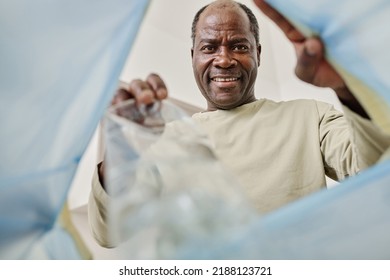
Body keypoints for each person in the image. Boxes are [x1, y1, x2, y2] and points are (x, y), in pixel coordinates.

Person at [88, 0, 390, 248]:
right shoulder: (162, 139)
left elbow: (375, 172)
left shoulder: (311, 116)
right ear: (193, 56)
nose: (224, 59)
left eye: (239, 46)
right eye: (209, 48)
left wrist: (350, 87)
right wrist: (121, 150)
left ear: (258, 54)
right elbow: (108, 233)